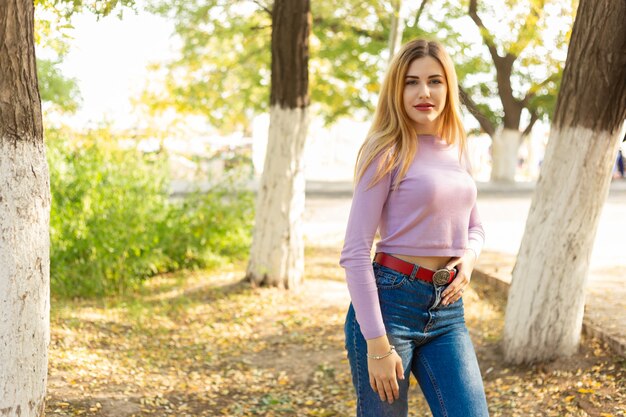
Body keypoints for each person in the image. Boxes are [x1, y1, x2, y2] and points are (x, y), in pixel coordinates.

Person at [339, 38, 489, 417]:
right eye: (411, 82)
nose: (424, 92)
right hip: (390, 308)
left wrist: (468, 259)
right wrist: (376, 343)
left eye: (435, 81)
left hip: (447, 310)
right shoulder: (386, 150)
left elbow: (475, 226)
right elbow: (355, 252)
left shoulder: (456, 147)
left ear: (448, 87)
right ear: (397, 90)